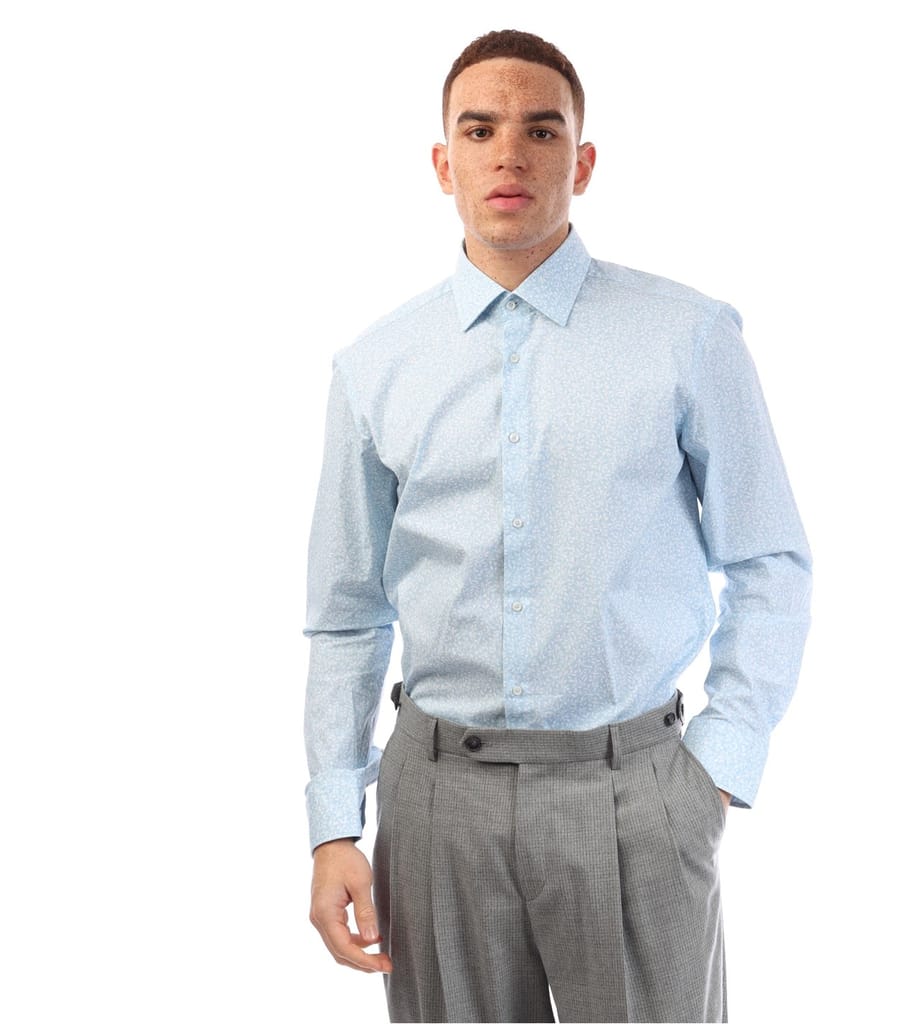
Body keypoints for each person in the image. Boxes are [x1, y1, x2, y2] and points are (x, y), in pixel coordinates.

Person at [304, 28, 811, 1024]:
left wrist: (718, 764)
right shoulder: (375, 366)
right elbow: (346, 612)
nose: (510, 154)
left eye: (541, 131)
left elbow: (769, 559)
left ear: (581, 162)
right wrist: (332, 823)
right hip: (436, 804)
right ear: (441, 163)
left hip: (634, 793)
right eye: (479, 130)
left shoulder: (686, 335)